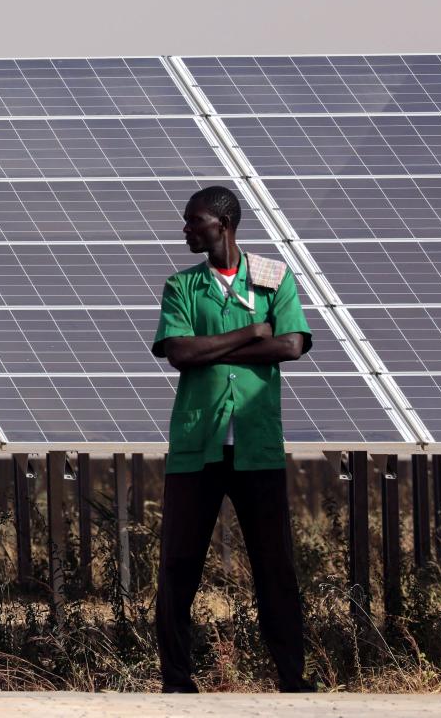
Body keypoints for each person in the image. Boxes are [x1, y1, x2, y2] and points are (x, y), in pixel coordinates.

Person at [149, 185, 317, 693]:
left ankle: (292, 678)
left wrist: (212, 351)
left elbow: (290, 344)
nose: (185, 230)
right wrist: (249, 335)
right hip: (196, 446)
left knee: (274, 565)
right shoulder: (181, 287)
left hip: (255, 444)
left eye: (193, 221)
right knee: (179, 565)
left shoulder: (273, 278)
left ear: (222, 224)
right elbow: (178, 353)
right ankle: (177, 681)